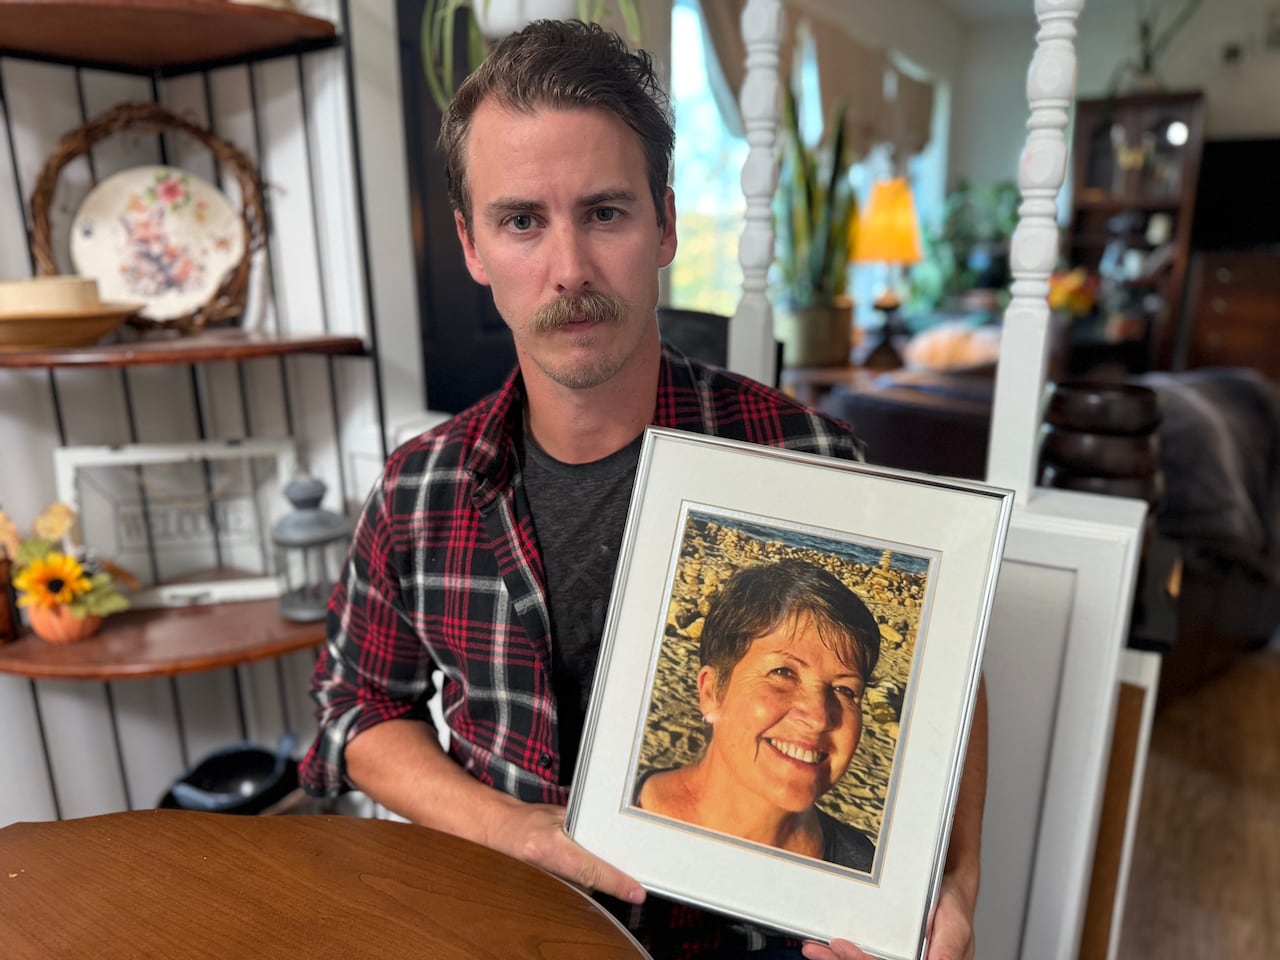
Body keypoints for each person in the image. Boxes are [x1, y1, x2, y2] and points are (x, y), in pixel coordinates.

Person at [300, 18, 986, 960]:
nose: (570, 269)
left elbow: (951, 676)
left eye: (606, 212)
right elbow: (355, 707)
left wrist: (953, 880)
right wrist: (509, 826)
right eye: (521, 221)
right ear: (471, 245)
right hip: (501, 925)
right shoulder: (423, 487)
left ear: (665, 224)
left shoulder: (807, 459)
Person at [637, 559, 881, 872]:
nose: (819, 717)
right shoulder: (604, 818)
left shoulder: (862, 871)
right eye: (783, 672)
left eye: (845, 690)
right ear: (711, 692)